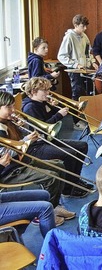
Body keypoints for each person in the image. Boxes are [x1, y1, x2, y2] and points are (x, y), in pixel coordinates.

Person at [0, 91, 72, 224]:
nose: (13, 110)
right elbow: (6, 154)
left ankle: (54, 206)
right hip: (10, 171)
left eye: (12, 106)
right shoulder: (0, 128)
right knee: (50, 176)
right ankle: (42, 215)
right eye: (8, 107)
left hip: (22, 161)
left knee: (59, 165)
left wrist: (23, 127)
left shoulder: (8, 121)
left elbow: (20, 139)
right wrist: (27, 140)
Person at [22, 77, 92, 197]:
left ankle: (74, 181)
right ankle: (67, 189)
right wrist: (59, 115)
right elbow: (43, 128)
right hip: (37, 146)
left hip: (48, 139)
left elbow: (51, 117)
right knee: (69, 154)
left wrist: (55, 106)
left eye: (48, 90)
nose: (48, 93)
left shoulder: (42, 102)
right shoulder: (30, 107)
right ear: (33, 92)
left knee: (82, 146)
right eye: (44, 91)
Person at [57, 14, 98, 130]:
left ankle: (87, 117)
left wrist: (93, 61)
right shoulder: (69, 37)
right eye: (82, 26)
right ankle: (76, 122)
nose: (85, 29)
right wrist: (76, 64)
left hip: (85, 70)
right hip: (75, 71)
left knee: (88, 93)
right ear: (75, 25)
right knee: (77, 95)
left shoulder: (84, 36)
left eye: (85, 26)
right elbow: (61, 56)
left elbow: (87, 53)